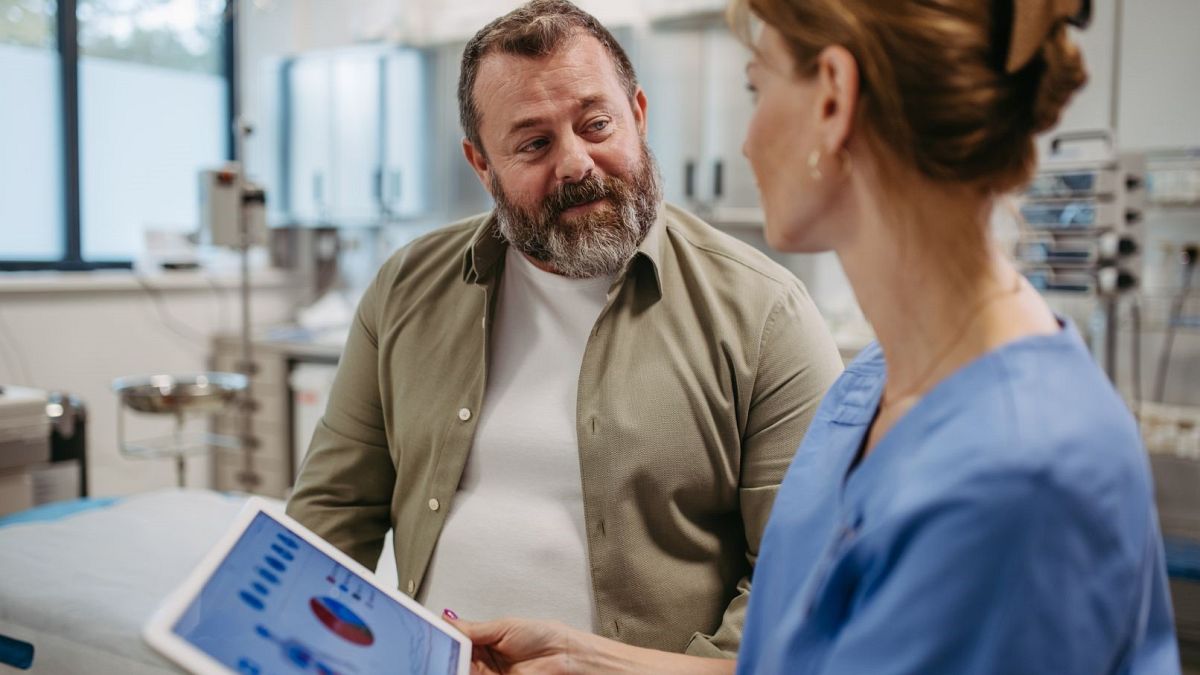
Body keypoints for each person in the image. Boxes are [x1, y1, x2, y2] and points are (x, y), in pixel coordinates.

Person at [445, 0, 1183, 673]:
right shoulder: (871, 390)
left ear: (832, 97)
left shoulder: (1021, 476)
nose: (746, 139)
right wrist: (594, 660)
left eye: (757, 90)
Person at [286, 0, 844, 660]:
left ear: (637, 114)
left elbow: (803, 584)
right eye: (534, 144)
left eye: (596, 123)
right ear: (481, 164)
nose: (577, 163)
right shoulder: (406, 288)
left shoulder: (765, 314)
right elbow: (332, 513)